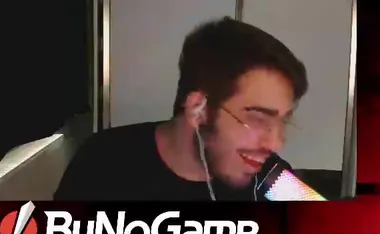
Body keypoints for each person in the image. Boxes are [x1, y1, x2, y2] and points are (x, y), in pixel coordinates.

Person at [55, 18, 308, 202]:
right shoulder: (102, 161)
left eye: (284, 121)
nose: (275, 143)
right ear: (199, 109)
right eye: (259, 118)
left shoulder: (272, 177)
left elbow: (325, 233)